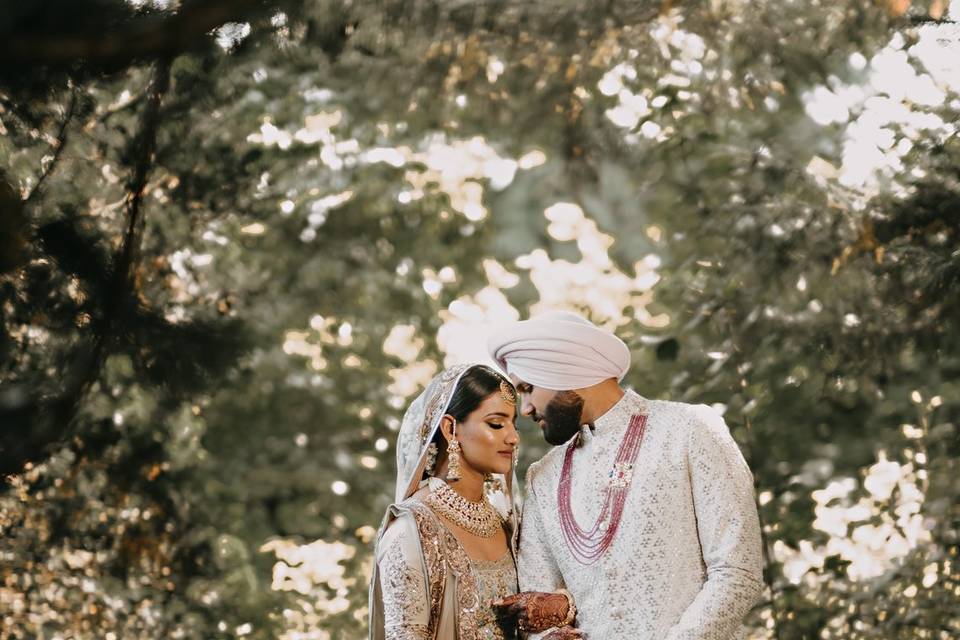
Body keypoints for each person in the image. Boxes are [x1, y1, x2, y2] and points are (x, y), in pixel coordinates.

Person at [488, 311, 764, 639]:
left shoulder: (688, 430)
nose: (526, 409)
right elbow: (537, 603)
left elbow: (737, 572)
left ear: (565, 370)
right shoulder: (543, 478)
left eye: (529, 388)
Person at [369, 363, 584, 640]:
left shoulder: (508, 523)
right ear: (450, 429)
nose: (513, 437)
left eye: (513, 423)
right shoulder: (412, 529)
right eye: (496, 423)